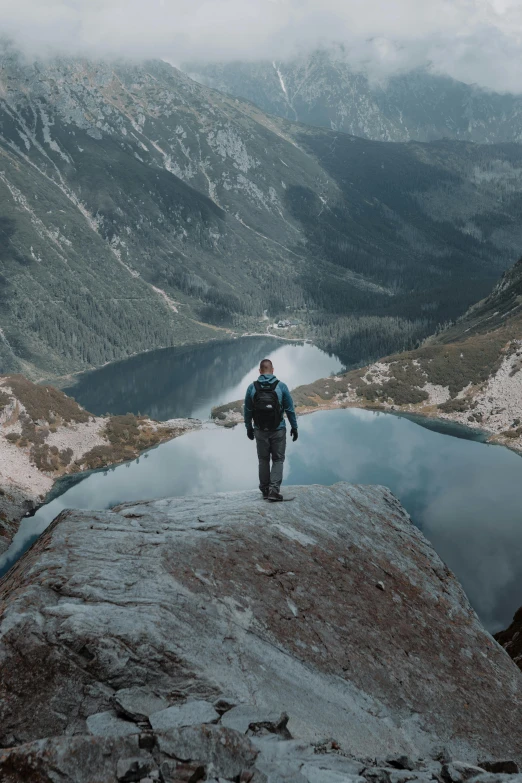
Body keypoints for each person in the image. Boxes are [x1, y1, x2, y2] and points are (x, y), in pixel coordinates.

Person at [244, 358, 298, 501]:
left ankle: (265, 490)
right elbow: (290, 410)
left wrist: (249, 428)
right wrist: (294, 427)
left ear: (260, 371)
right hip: (278, 429)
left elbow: (248, 411)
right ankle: (274, 490)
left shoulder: (252, 387)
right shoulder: (281, 386)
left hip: (260, 430)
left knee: (263, 460)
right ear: (273, 370)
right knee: (278, 459)